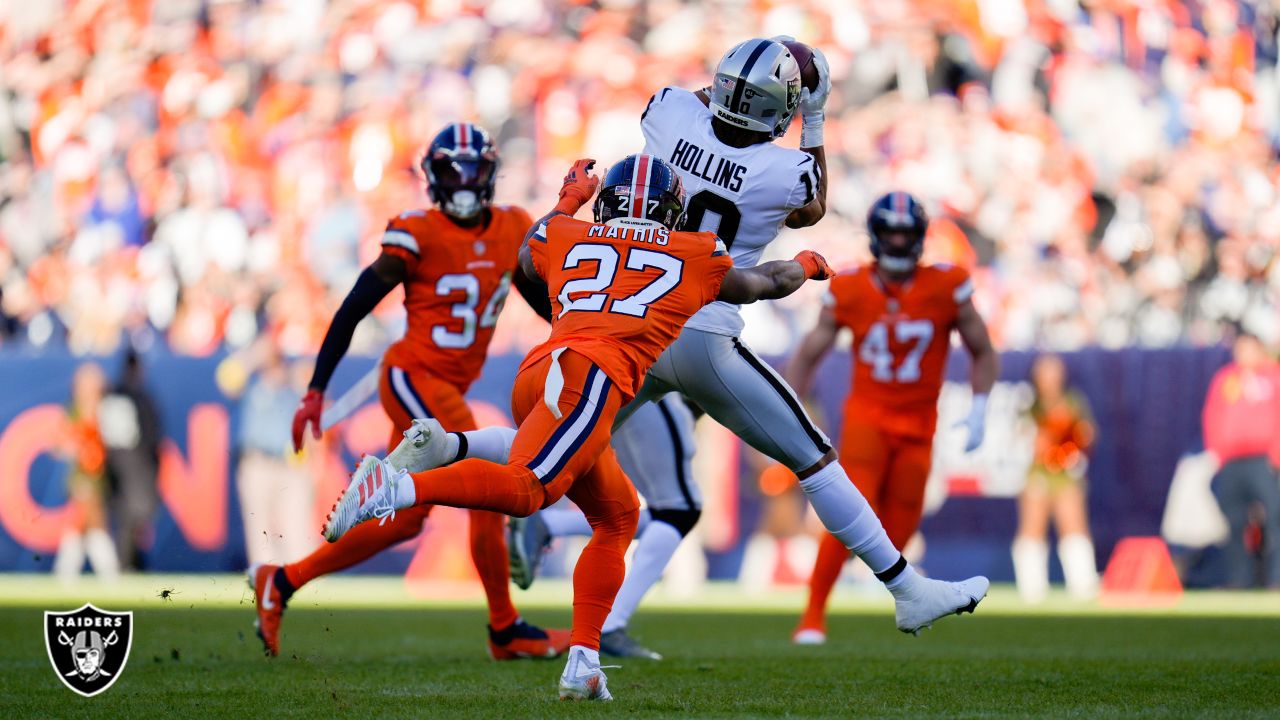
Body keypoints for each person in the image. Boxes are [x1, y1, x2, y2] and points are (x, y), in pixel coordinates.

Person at [507, 38, 988, 660]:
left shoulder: (671, 110)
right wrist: (813, 114)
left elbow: (703, 111)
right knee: (814, 459)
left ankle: (460, 457)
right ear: (779, 108)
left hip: (631, 322)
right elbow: (811, 208)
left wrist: (736, 93)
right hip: (704, 329)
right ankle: (906, 589)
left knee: (556, 432)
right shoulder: (783, 171)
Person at [320, 154, 836, 700]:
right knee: (528, 491)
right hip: (590, 378)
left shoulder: (565, 233)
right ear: (672, 209)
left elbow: (526, 255)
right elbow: (764, 282)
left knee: (617, 516)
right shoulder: (695, 251)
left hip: (543, 370)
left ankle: (583, 662)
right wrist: (807, 264)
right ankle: (392, 488)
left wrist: (569, 199)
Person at [251, 123, 566, 660]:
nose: (464, 182)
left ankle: (281, 582)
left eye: (474, 171)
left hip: (442, 385)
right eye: (452, 171)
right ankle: (504, 628)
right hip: (412, 376)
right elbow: (354, 306)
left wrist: (580, 334)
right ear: (432, 178)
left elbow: (544, 307)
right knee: (488, 487)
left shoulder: (514, 226)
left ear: (491, 175)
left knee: (411, 519)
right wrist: (316, 390)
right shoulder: (417, 232)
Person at [788, 192, 999, 643]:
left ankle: (906, 602)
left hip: (920, 427)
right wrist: (789, 408)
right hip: (868, 421)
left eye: (907, 235)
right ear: (877, 237)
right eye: (892, 234)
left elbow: (983, 351)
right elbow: (807, 355)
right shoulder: (850, 287)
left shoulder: (947, 285)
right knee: (850, 518)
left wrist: (981, 405)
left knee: (901, 524)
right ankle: (812, 616)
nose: (899, 243)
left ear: (920, 238)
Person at [1012, 353, 1099, 603]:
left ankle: (1082, 583)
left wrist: (1074, 442)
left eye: (1054, 372)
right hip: (1036, 474)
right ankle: (1032, 587)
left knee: (1073, 525)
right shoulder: (1028, 403)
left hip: (1066, 475)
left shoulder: (1073, 401)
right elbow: (1020, 438)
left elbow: (1087, 435)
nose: (1050, 378)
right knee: (1032, 527)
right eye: (1045, 373)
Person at [225, 341, 316, 567]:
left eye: (278, 362)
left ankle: (301, 581)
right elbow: (226, 378)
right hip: (257, 464)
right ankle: (267, 584)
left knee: (296, 528)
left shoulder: (294, 388)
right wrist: (255, 355)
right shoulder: (253, 386)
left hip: (290, 467)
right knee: (261, 532)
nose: (274, 368)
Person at [1202, 333, 1280, 588]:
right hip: (1233, 461)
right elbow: (1212, 415)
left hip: (1265, 461)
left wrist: (1276, 454)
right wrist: (1218, 453)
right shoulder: (1226, 379)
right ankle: (1239, 580)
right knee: (1235, 521)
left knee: (1274, 519)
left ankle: (1275, 580)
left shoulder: (1274, 377)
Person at [54, 362, 120, 583]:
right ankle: (104, 574)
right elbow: (59, 443)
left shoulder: (106, 408)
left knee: (87, 525)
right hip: (82, 476)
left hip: (100, 474)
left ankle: (67, 572)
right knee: (89, 522)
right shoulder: (73, 411)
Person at [100, 348, 162, 571]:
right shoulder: (140, 396)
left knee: (126, 519)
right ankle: (127, 565)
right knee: (135, 519)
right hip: (137, 465)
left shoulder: (110, 395)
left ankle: (129, 563)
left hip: (114, 464)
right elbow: (152, 436)